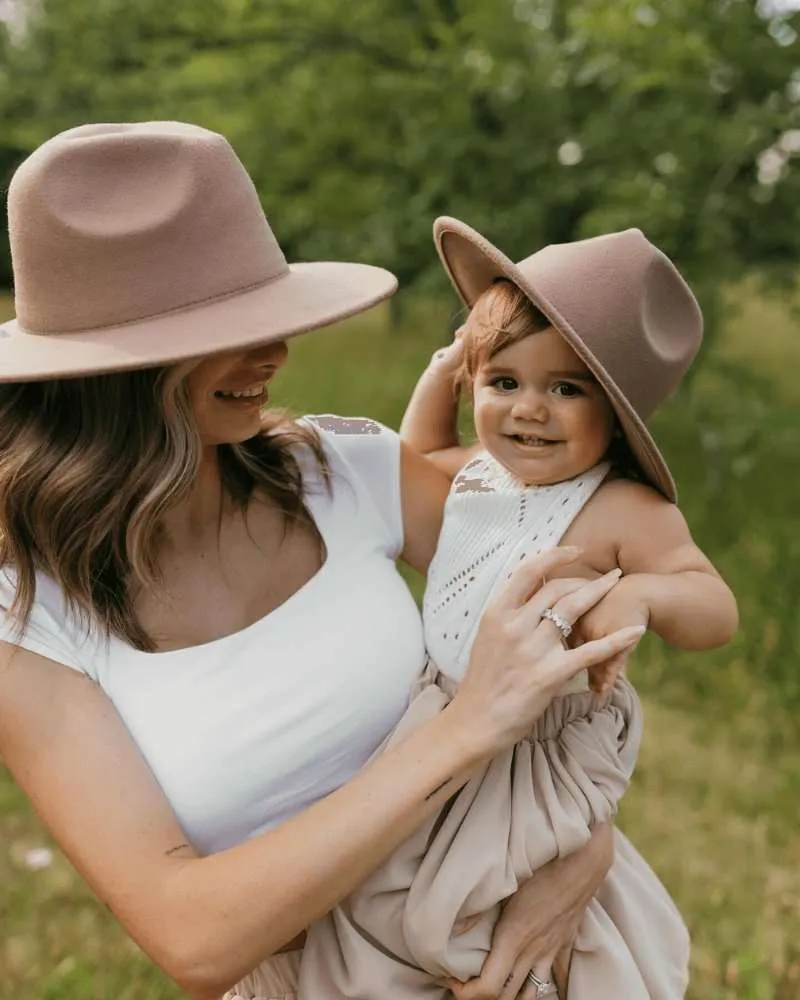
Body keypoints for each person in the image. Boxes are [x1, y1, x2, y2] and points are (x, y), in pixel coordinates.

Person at [0, 123, 647, 1000]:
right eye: (228, 330)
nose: (275, 354)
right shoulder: (27, 619)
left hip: (515, 946)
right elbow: (192, 938)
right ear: (113, 370)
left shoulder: (346, 471)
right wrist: (465, 732)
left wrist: (582, 837)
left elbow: (575, 565)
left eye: (271, 316)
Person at [298, 220, 738, 999]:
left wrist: (642, 593)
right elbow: (418, 455)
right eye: (503, 382)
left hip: (534, 750)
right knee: (383, 893)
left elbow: (713, 604)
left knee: (482, 913)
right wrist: (442, 371)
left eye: (565, 388)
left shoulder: (621, 508)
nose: (528, 410)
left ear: (619, 409)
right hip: (441, 720)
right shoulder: (476, 473)